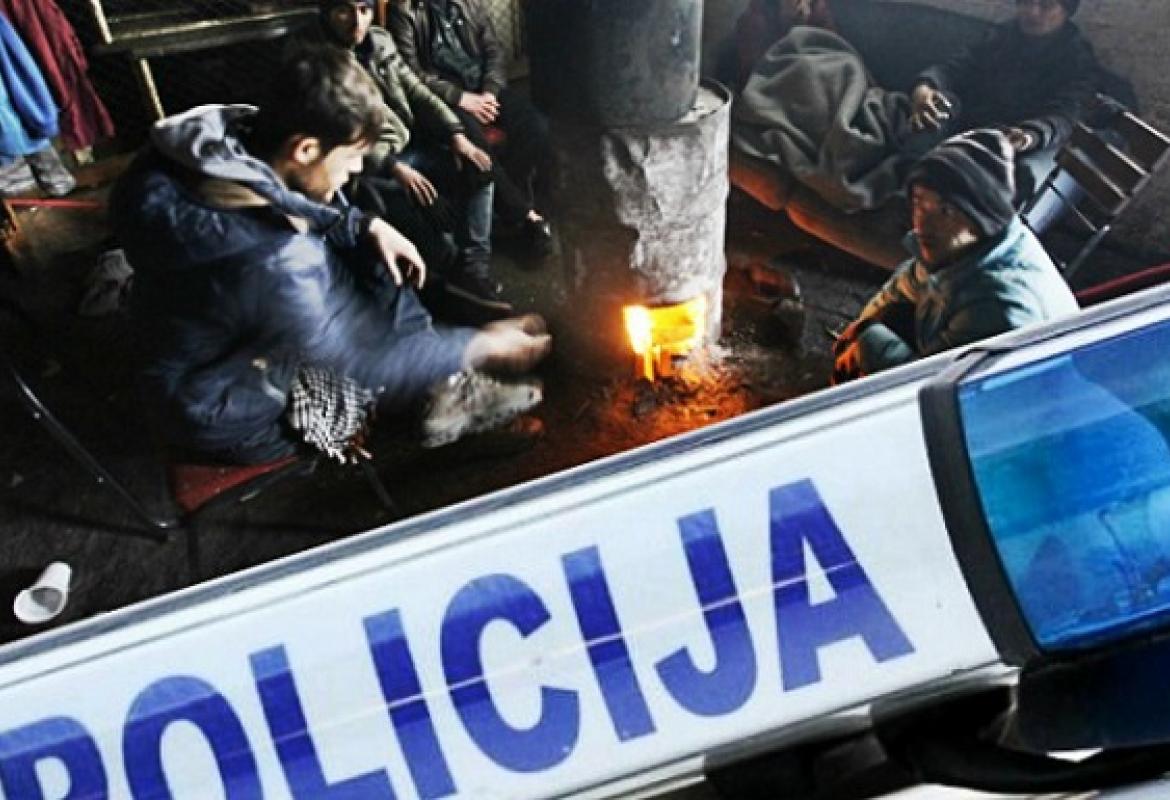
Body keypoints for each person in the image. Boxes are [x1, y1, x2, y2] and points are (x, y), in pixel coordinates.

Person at [111, 47, 551, 465]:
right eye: (353, 156)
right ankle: (428, 406)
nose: (357, 169)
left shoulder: (217, 144)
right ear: (304, 149)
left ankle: (435, 368)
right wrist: (479, 346)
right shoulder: (274, 258)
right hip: (223, 409)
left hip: (203, 350)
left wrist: (363, 223)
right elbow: (359, 356)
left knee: (368, 251)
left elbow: (280, 198)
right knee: (364, 382)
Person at [303, 0, 511, 311]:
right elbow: (337, 133)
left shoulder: (380, 40)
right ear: (327, 12)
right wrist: (394, 167)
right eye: (344, 11)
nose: (357, 22)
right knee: (408, 210)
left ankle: (473, 269)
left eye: (364, 9)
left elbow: (417, 91)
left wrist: (456, 134)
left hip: (407, 144)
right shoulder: (316, 60)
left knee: (478, 166)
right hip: (364, 164)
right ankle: (449, 276)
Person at [832, 129, 1078, 383]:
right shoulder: (961, 245)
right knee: (888, 318)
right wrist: (858, 331)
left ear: (980, 215)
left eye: (945, 211)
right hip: (956, 354)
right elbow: (903, 286)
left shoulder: (998, 306)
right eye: (918, 202)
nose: (923, 223)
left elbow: (932, 384)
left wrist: (868, 344)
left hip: (1013, 398)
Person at [389, 0, 554, 257]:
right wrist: (460, 98)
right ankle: (525, 216)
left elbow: (494, 51)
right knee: (476, 148)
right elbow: (411, 73)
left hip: (484, 90)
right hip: (445, 100)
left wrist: (490, 91)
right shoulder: (404, 10)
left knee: (536, 127)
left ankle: (506, 209)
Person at [909, 0, 1098, 158]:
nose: (1033, 12)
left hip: (1013, 141)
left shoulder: (1077, 58)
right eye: (1027, 2)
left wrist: (1031, 135)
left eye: (1046, 5)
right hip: (965, 123)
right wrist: (925, 87)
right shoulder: (1003, 35)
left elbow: (1065, 115)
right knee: (925, 115)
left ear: (1066, 12)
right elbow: (956, 69)